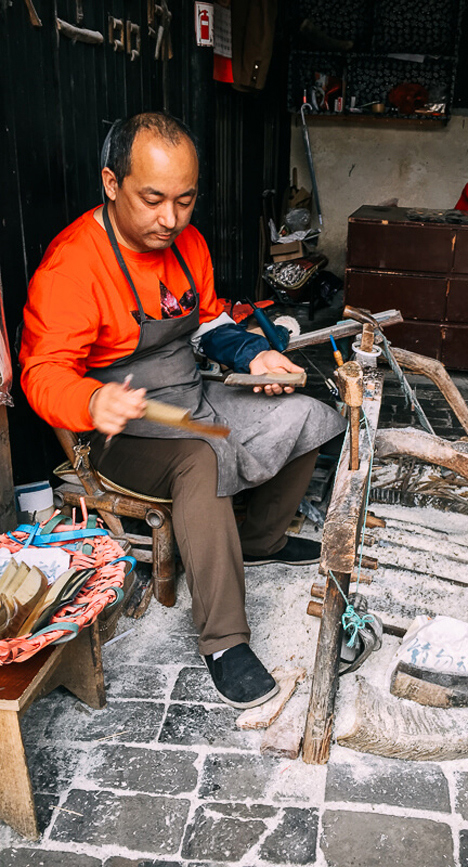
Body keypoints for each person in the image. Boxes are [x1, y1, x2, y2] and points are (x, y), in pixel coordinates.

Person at [20, 111, 346, 709]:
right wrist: (90, 398)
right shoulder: (73, 264)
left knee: (305, 412)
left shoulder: (185, 244)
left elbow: (210, 319)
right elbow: (41, 373)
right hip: (116, 431)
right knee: (201, 455)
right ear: (111, 183)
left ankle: (260, 540)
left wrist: (254, 355)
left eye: (185, 201)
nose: (170, 219)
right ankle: (224, 640)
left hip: (189, 399)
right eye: (152, 200)